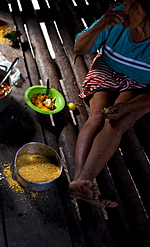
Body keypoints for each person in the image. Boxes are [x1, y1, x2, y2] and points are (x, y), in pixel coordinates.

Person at [68, 0, 150, 208]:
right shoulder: (116, 17)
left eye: (134, 6)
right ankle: (80, 180)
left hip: (141, 86)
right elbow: (79, 48)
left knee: (117, 121)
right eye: (127, 3)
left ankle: (82, 180)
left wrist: (128, 107)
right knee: (97, 117)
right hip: (107, 68)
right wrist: (99, 26)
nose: (125, 9)